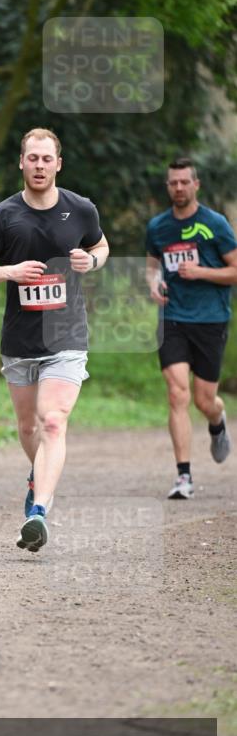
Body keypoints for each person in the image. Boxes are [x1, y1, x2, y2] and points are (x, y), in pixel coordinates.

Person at [0, 128, 109, 551]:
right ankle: (38, 477)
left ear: (58, 164)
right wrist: (9, 272)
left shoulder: (80, 209)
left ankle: (39, 512)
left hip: (66, 336)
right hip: (20, 341)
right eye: (33, 158)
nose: (40, 165)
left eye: (47, 159)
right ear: (22, 163)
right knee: (29, 426)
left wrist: (91, 261)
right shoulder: (4, 215)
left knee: (52, 420)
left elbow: (101, 247)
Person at [145, 158, 237, 499]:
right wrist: (153, 284)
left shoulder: (215, 224)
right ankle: (184, 476)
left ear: (196, 185)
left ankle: (217, 420)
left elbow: (235, 270)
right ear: (168, 186)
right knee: (176, 393)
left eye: (185, 182)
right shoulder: (158, 227)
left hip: (211, 318)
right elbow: (152, 266)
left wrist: (202, 273)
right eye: (173, 183)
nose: (179, 188)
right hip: (174, 319)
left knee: (204, 399)